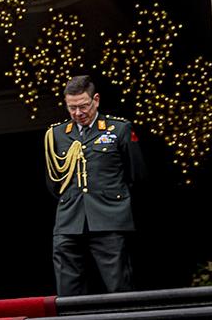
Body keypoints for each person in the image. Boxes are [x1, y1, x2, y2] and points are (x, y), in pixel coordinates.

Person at [44, 75, 145, 296]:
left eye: (83, 106)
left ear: (96, 100)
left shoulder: (118, 129)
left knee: (118, 283)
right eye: (72, 108)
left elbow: (135, 175)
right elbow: (54, 182)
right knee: (68, 285)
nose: (78, 113)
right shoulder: (57, 134)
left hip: (109, 215)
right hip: (69, 218)